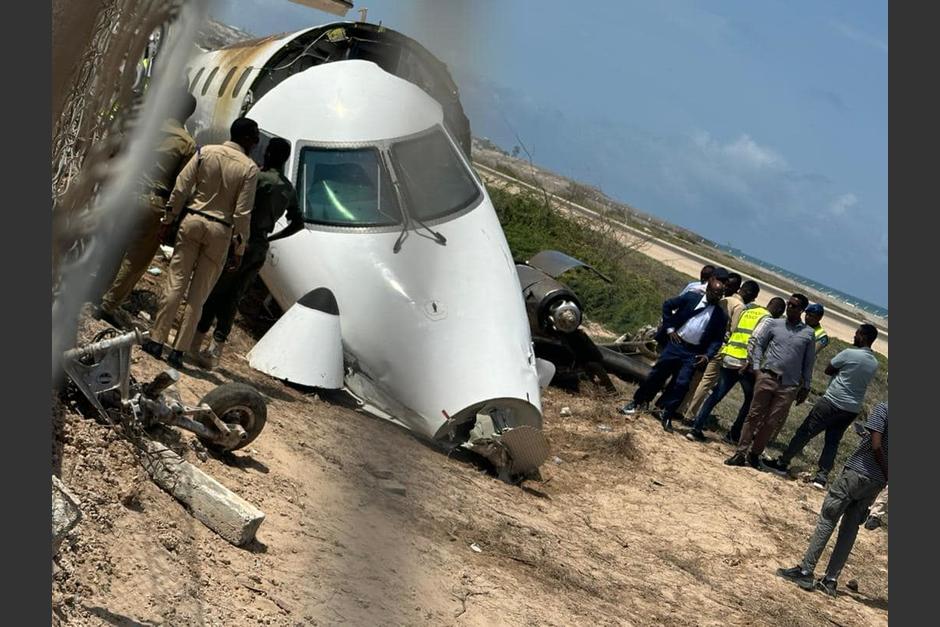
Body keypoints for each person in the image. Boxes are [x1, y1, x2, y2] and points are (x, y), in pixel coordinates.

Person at [142, 117, 261, 369]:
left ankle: (156, 340)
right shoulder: (249, 169)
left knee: (176, 282)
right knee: (199, 294)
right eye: (255, 136)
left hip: (193, 220)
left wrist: (170, 217)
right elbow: (242, 213)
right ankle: (178, 351)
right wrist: (239, 248)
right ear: (248, 139)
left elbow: (182, 186)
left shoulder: (205, 152)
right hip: (221, 230)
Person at [190, 137, 304, 369]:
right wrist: (270, 237)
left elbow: (241, 208)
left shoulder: (259, 179)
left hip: (241, 242)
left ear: (269, 153)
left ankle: (195, 342)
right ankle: (216, 349)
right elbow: (297, 223)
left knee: (216, 291)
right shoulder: (288, 189)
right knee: (235, 297)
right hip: (260, 246)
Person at [95, 91, 197, 327]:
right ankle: (108, 305)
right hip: (154, 203)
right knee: (137, 257)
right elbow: (182, 184)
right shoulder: (187, 143)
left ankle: (96, 290)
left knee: (113, 244)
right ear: (189, 114)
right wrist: (172, 217)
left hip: (125, 193)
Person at [776, 401, 888, 597]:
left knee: (828, 518)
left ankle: (805, 570)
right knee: (850, 528)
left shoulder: (884, 408)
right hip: (876, 482)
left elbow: (876, 444)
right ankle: (831, 580)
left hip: (858, 471)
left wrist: (883, 463)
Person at [764, 324, 880, 488]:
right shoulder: (874, 363)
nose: (854, 336)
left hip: (833, 400)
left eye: (856, 334)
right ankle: (821, 477)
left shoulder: (849, 353)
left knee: (805, 431)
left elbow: (828, 369)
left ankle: (782, 463)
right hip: (852, 408)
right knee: (832, 441)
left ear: (862, 336)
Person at [619, 269, 729, 432]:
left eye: (720, 295)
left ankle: (666, 414)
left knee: (681, 384)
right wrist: (669, 329)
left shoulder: (720, 315)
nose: (717, 297)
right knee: (657, 375)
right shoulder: (691, 298)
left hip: (693, 353)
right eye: (714, 293)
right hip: (676, 345)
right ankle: (638, 402)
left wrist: (707, 355)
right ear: (708, 290)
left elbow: (717, 340)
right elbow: (668, 305)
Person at [725, 293, 815, 469]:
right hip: (767, 377)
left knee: (770, 423)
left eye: (795, 306)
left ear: (802, 310)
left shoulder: (808, 334)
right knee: (753, 416)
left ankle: (754, 455)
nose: (790, 307)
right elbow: (759, 345)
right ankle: (740, 453)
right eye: (789, 304)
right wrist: (757, 369)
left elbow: (809, 362)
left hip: (788, 385)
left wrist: (806, 386)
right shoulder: (775, 324)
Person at [684, 289, 782, 443]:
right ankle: (734, 434)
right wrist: (750, 362)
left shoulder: (750, 311)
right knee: (750, 399)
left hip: (730, 355)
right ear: (778, 310)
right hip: (743, 362)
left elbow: (736, 330)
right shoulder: (768, 319)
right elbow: (754, 340)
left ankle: (696, 428)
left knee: (716, 394)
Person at [678, 273, 746, 421]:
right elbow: (734, 330)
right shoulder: (738, 306)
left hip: (706, 343)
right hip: (718, 346)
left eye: (728, 285)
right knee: (705, 381)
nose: (726, 287)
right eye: (726, 284)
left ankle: (680, 407)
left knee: (695, 378)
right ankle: (689, 414)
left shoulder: (722, 299)